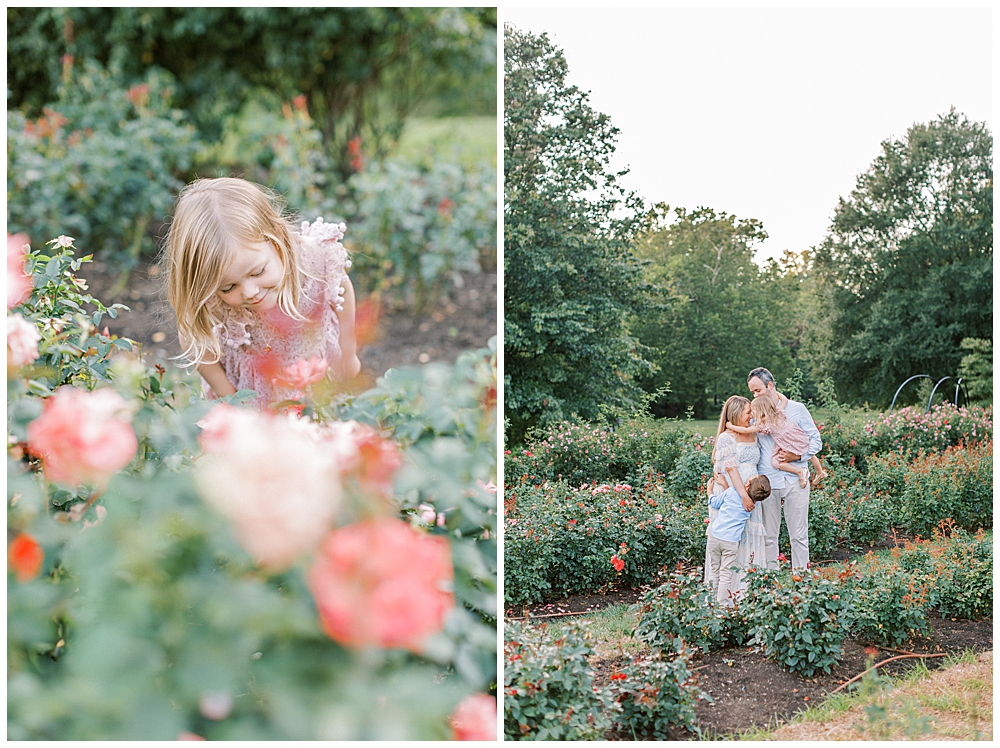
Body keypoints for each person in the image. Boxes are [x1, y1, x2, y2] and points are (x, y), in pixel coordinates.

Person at [163, 178, 361, 409]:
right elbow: (191, 335)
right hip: (254, 402)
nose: (249, 292)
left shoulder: (313, 263)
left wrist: (348, 355)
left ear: (275, 239)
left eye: (258, 272)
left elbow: (342, 288)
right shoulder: (213, 299)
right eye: (229, 287)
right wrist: (228, 395)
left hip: (317, 388)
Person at [747, 367, 822, 569]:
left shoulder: (796, 409)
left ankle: (802, 580)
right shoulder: (755, 413)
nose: (754, 395)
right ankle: (769, 583)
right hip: (767, 481)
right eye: (752, 392)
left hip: (796, 480)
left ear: (769, 385)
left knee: (799, 534)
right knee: (769, 535)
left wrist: (797, 456)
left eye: (757, 390)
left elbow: (816, 441)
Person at [704, 395, 767, 600]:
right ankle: (722, 598)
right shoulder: (726, 437)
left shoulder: (753, 434)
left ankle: (745, 593)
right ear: (735, 413)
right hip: (734, 491)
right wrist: (743, 496)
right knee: (730, 539)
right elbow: (730, 468)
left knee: (747, 538)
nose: (751, 415)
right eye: (748, 411)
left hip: (751, 492)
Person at [726, 395, 826, 488]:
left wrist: (730, 426)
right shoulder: (778, 412)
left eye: (753, 411)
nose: (752, 415)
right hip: (796, 435)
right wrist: (776, 392)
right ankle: (819, 472)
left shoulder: (764, 423)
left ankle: (799, 471)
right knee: (809, 454)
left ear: (760, 411)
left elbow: (745, 430)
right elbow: (784, 400)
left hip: (786, 441)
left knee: (775, 462)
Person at [706, 475, 771, 605]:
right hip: (730, 543)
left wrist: (709, 491)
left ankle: (710, 601)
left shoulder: (731, 492)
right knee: (725, 574)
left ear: (747, 485)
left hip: (715, 537)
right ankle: (722, 604)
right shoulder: (751, 505)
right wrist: (725, 484)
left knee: (714, 570)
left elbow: (716, 503)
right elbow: (737, 498)